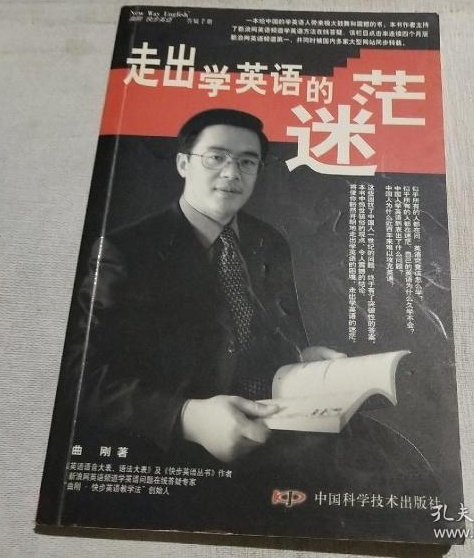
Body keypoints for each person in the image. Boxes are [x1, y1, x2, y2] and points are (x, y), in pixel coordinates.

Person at [72, 109, 343, 463]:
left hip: (278, 425)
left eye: (247, 162)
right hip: (176, 448)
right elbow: (77, 372)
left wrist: (301, 358)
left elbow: (271, 332)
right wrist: (186, 418)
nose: (232, 173)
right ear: (183, 163)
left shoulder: (270, 241)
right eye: (216, 157)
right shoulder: (124, 250)